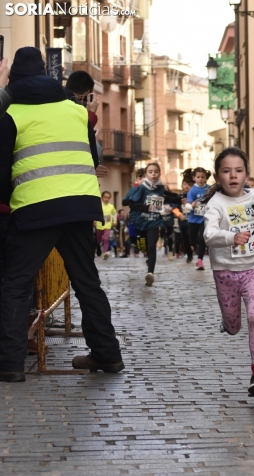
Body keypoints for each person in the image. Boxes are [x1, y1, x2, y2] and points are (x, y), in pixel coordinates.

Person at [0, 47, 124, 381]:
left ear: (14, 78)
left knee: (14, 284)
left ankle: (10, 365)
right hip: (81, 205)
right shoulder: (75, 111)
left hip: (35, 208)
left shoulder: (11, 113)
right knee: (86, 281)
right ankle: (108, 355)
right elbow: (89, 154)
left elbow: (1, 171)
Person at [203, 147, 254, 398]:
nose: (233, 175)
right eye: (226, 171)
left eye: (238, 170)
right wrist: (231, 237)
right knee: (235, 325)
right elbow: (209, 234)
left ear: (247, 174)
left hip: (252, 271)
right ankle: (227, 324)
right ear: (218, 177)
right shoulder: (216, 204)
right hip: (225, 274)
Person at [123, 162, 180, 286]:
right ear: (146, 174)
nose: (153, 174)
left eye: (156, 172)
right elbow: (131, 204)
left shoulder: (160, 188)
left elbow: (165, 198)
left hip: (154, 221)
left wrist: (180, 199)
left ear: (159, 173)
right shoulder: (141, 187)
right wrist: (146, 207)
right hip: (140, 222)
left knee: (152, 246)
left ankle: (150, 274)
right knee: (142, 246)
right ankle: (147, 255)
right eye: (150, 172)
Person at [186, 167, 211, 270]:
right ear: (194, 178)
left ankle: (200, 260)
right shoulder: (192, 190)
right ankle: (196, 249)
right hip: (193, 219)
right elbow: (188, 204)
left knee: (202, 239)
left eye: (203, 177)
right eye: (198, 177)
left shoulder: (209, 189)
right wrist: (192, 205)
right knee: (192, 240)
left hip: (204, 218)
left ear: (206, 178)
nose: (200, 179)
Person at [96, 191, 117, 260]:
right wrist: (94, 220)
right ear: (102, 198)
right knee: (98, 239)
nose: (106, 199)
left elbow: (114, 214)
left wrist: (114, 221)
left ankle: (105, 252)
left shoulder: (111, 206)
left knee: (106, 238)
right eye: (105, 197)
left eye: (108, 198)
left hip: (107, 225)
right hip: (99, 225)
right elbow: (95, 213)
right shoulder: (99, 205)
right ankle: (98, 248)